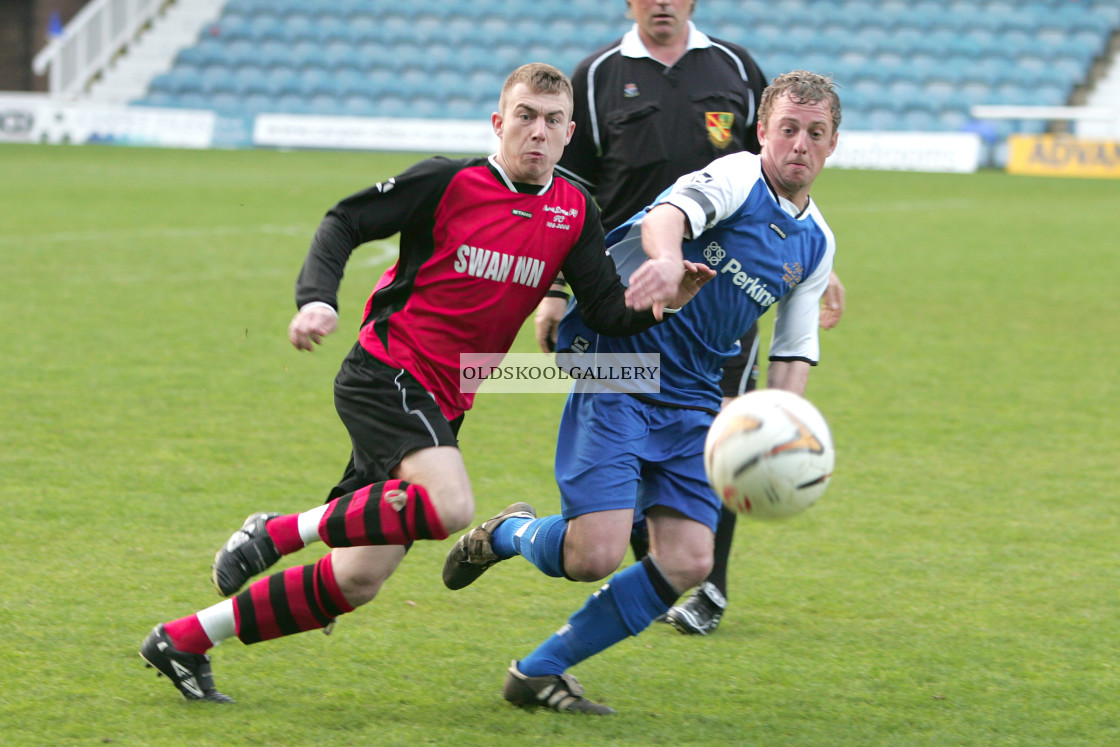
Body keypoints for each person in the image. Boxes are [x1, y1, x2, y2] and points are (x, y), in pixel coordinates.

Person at [137, 62, 714, 704]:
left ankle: (183, 640)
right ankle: (273, 532)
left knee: (358, 577)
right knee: (451, 506)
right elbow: (344, 221)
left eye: (553, 121)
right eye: (525, 116)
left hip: (445, 399)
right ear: (499, 123)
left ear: (569, 131)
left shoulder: (574, 208)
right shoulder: (449, 181)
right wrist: (316, 299)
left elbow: (606, 310)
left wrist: (672, 300)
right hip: (387, 370)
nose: (538, 132)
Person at [444, 70, 842, 713]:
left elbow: (794, 351)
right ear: (763, 131)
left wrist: (782, 429)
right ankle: (510, 533)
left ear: (831, 144)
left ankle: (537, 672)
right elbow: (669, 215)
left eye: (814, 133)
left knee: (687, 562)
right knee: (593, 553)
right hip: (622, 366)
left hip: (692, 400)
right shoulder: (739, 177)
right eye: (787, 129)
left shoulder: (816, 243)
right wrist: (664, 259)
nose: (799, 144)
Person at [534, 0, 846, 636]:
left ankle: (707, 587)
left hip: (721, 308)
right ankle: (638, 551)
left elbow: (788, 165)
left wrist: (804, 254)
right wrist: (559, 285)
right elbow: (573, 186)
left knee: (734, 432)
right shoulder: (595, 75)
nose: (664, 3)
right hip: (625, 296)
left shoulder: (733, 66)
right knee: (611, 417)